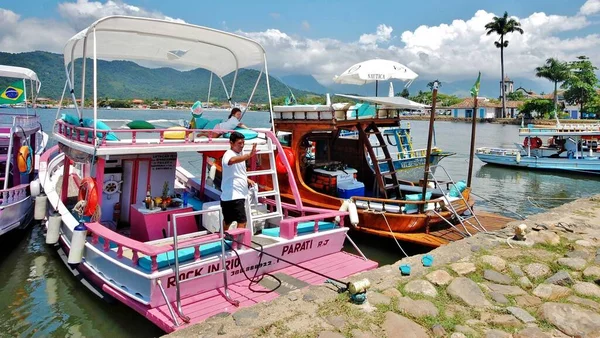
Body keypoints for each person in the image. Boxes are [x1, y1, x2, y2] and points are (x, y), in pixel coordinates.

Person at [220, 131, 256, 230]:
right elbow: (231, 161)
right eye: (239, 143)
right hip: (234, 195)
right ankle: (238, 243)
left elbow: (237, 171)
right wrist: (249, 155)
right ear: (231, 143)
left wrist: (247, 179)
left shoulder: (240, 154)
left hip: (231, 196)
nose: (242, 145)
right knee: (242, 221)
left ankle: (223, 238)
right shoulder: (228, 154)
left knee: (228, 221)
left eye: (243, 143)